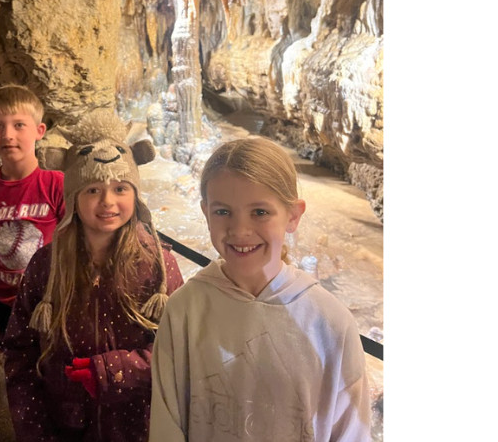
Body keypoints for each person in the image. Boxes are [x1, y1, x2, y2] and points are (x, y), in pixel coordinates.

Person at [149, 137, 372, 442]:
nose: (240, 230)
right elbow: (166, 425)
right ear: (205, 211)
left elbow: (350, 432)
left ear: (293, 215)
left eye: (260, 212)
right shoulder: (184, 311)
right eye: (223, 212)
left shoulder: (330, 322)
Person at [2, 109, 185, 442]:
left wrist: (113, 372)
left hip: (137, 428)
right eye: (92, 190)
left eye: (120, 188)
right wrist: (33, 429)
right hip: (64, 426)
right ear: (73, 197)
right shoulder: (46, 266)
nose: (108, 202)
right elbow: (20, 352)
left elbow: (180, 350)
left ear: (136, 194)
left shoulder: (159, 268)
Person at [0, 83, 66, 354]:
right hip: (2, 304)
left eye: (19, 124)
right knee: (16, 372)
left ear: (39, 131)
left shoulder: (57, 185)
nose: (7, 134)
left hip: (49, 303)